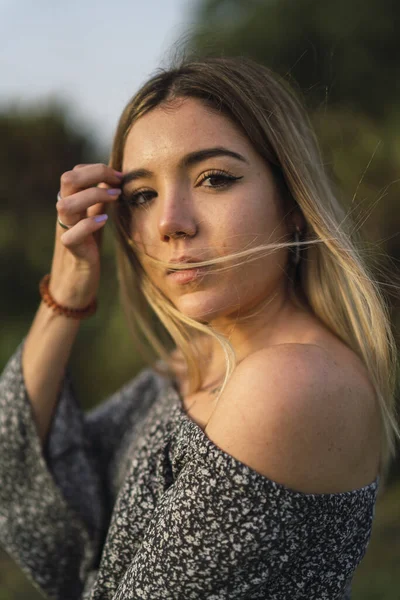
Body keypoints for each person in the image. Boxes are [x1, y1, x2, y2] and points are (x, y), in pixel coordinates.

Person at [0, 56, 397, 600]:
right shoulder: (195, 363)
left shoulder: (291, 383)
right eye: (143, 195)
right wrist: (66, 291)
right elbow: (21, 469)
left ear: (292, 201)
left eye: (215, 179)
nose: (170, 223)